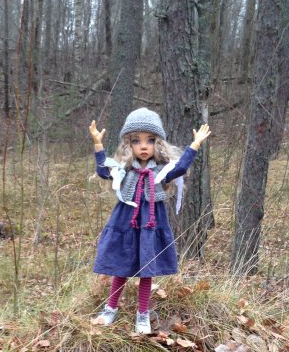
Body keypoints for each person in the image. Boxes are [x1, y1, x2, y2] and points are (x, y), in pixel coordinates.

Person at [89, 108, 211, 334]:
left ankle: (142, 314)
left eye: (150, 140)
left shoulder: (162, 170)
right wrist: (98, 145)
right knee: (120, 267)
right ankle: (110, 309)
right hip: (125, 221)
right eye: (137, 141)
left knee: (147, 269)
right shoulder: (123, 169)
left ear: (158, 144)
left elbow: (181, 167)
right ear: (129, 144)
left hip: (151, 224)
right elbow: (103, 172)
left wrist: (195, 145)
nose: (143, 146)